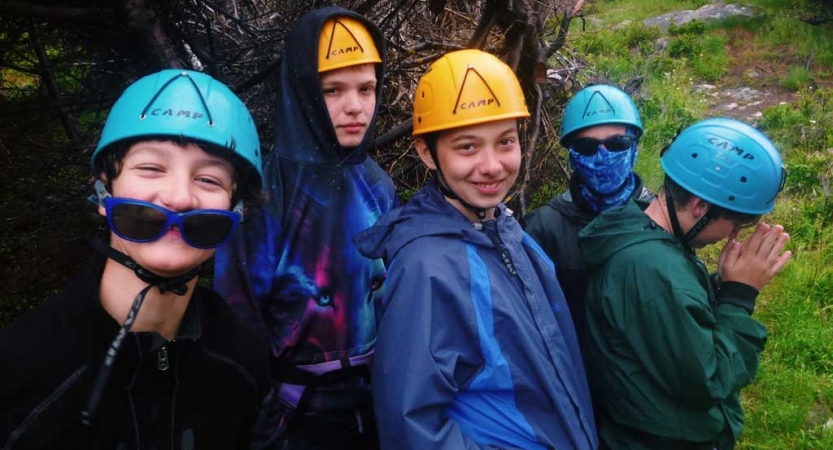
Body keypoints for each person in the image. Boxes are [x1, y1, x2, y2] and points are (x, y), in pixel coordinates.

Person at [0, 69, 270, 449]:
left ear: (236, 207)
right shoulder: (21, 369)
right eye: (151, 167)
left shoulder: (245, 363)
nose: (179, 197)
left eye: (209, 179)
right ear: (104, 189)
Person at [354, 49, 597, 450]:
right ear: (427, 152)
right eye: (467, 147)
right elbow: (413, 426)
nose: (492, 165)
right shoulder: (426, 268)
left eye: (505, 141)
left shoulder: (504, 228)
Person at [213, 6, 396, 449]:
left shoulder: (378, 184)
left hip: (378, 403)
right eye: (333, 89)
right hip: (296, 415)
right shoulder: (266, 194)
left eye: (366, 88)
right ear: (303, 89)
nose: (355, 107)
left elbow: (389, 294)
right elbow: (236, 319)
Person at [579, 117, 791, 450]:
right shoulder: (654, 272)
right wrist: (739, 296)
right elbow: (708, 378)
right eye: (735, 223)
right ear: (699, 206)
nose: (734, 235)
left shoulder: (640, 231)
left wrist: (720, 283)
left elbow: (667, 320)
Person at [525, 84, 652, 339]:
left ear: (635, 146)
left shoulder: (659, 221)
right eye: (586, 146)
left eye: (618, 143)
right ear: (571, 154)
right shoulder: (543, 229)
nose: (603, 156)